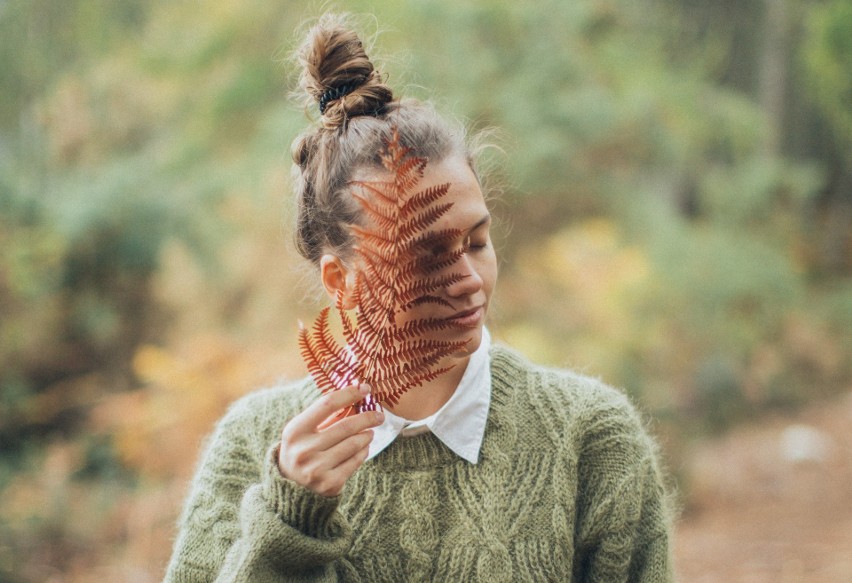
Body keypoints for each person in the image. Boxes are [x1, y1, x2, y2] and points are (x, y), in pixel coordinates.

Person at [164, 13, 674, 583]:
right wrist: (290, 525)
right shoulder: (254, 446)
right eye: (426, 258)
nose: (469, 279)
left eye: (477, 242)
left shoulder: (591, 440)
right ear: (341, 282)